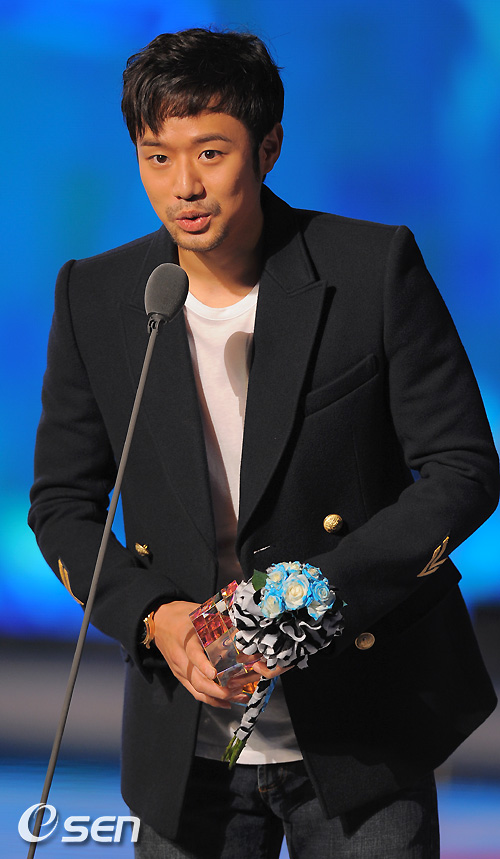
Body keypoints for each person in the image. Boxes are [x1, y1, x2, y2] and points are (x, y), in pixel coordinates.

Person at [29, 27, 499, 859]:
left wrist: (318, 593)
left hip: (362, 725)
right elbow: (63, 502)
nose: (183, 186)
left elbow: (463, 468)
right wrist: (154, 617)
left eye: (210, 153)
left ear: (269, 146)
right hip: (186, 742)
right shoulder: (97, 295)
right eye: (156, 157)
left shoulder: (370, 267)